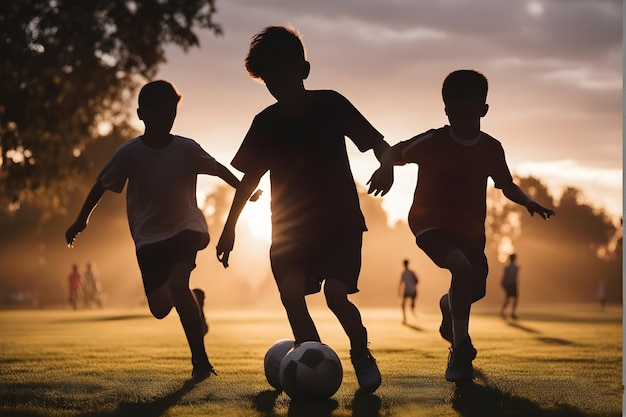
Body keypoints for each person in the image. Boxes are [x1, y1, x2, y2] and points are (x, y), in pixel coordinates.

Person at [215, 26, 390, 393]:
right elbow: (248, 180)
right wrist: (229, 227)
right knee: (292, 295)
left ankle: (360, 351)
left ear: (303, 70)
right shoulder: (265, 124)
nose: (276, 85)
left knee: (336, 297)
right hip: (290, 230)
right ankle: (316, 362)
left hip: (340, 223)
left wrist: (387, 164)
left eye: (281, 74)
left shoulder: (331, 104)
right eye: (268, 80)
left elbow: (377, 142)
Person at [65, 80, 260, 383]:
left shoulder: (186, 149)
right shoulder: (128, 153)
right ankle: (196, 299)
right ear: (142, 115)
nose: (163, 119)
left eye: (169, 112)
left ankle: (201, 362)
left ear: (174, 114)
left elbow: (219, 168)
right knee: (159, 308)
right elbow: (101, 185)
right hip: (148, 237)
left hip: (186, 228)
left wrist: (246, 190)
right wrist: (81, 220)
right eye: (155, 113)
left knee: (177, 283)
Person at [367, 69, 555, 383]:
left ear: (483, 111)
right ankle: (460, 349)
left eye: (470, 116)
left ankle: (447, 305)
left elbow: (506, 185)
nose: (464, 123)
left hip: (470, 231)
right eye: (457, 116)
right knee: (461, 267)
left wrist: (529, 202)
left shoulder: (491, 148)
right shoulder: (432, 141)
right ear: (447, 112)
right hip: (429, 223)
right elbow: (391, 152)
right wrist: (386, 168)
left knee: (474, 288)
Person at [499, 254, 519, 319]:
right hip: (511, 284)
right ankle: (510, 312)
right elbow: (514, 277)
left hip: (509, 284)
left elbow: (504, 276)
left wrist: (502, 283)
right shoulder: (515, 268)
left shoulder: (508, 267)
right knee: (512, 299)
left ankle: (509, 312)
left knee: (510, 299)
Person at [399, 259, 418, 323]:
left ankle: (408, 316)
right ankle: (405, 318)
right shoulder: (406, 273)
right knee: (404, 304)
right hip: (409, 290)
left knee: (405, 304)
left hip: (410, 290)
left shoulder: (408, 273)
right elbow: (417, 281)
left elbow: (416, 280)